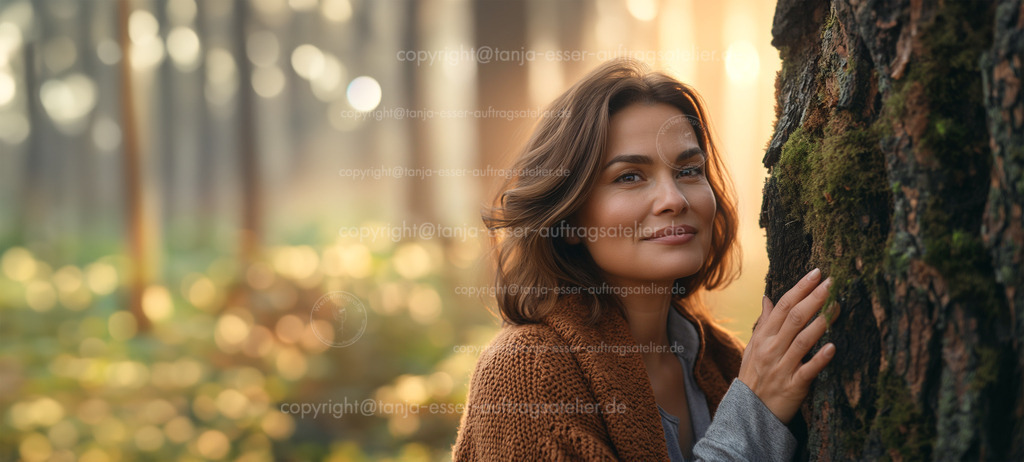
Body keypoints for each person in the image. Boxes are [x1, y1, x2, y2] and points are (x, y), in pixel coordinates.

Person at [452, 58, 838, 461]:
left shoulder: (722, 361)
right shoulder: (526, 372)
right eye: (629, 176)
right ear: (567, 220)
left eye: (689, 170)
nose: (674, 199)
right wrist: (753, 414)